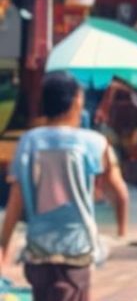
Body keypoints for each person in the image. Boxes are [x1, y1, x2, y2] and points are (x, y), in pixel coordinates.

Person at [0, 71, 129, 301]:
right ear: (77, 101)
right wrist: (121, 228)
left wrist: (4, 245)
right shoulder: (94, 143)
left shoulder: (29, 141)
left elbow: (15, 200)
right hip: (76, 249)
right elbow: (120, 192)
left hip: (38, 249)